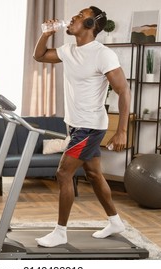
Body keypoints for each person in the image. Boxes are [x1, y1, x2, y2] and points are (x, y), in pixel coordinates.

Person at [33, 6, 131, 247]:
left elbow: (123, 90)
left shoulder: (103, 54)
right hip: (75, 125)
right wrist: (46, 33)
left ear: (90, 25)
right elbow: (40, 56)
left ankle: (60, 232)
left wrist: (122, 131)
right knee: (94, 174)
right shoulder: (69, 50)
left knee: (64, 172)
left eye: (80, 15)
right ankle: (115, 221)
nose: (73, 17)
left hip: (90, 127)